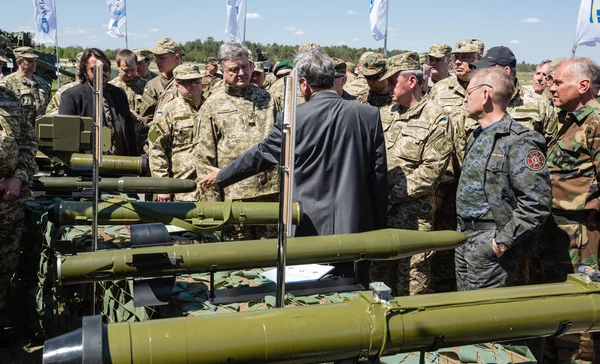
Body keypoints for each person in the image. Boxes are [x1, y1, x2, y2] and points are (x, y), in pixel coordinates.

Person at [199, 47, 388, 286]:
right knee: (354, 289)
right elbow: (378, 175)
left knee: (310, 295)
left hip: (308, 225)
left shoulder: (293, 118)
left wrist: (223, 175)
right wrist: (378, 223)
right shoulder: (368, 115)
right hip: (356, 224)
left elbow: (262, 154)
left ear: (304, 84)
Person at [455, 67, 551, 291]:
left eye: (468, 92)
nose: (465, 98)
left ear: (486, 95)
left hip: (492, 243)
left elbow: (536, 203)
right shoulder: (477, 135)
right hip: (464, 238)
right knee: (464, 313)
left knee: (486, 317)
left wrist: (501, 243)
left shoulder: (520, 141)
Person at [369, 52, 452, 296]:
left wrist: (391, 197)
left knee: (413, 287)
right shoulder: (385, 114)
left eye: (394, 81)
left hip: (414, 222)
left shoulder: (437, 118)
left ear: (412, 82)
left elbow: (431, 170)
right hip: (381, 219)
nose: (389, 86)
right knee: (378, 282)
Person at [537, 58, 600, 363]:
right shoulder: (570, 118)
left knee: (579, 307)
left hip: (582, 235)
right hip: (560, 232)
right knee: (558, 306)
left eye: (559, 82)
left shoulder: (596, 121)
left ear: (583, 85)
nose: (552, 87)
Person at [194, 42, 279, 240]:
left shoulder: (267, 99)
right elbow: (204, 161)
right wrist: (212, 209)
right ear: (222, 71)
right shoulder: (212, 106)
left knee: (270, 257)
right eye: (234, 69)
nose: (241, 73)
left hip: (270, 195)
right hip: (235, 199)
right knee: (239, 261)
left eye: (245, 67)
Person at [429, 39, 484, 293]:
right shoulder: (440, 90)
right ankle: (443, 291)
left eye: (466, 56)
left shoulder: (489, 89)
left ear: (479, 57)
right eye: (456, 57)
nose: (459, 62)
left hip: (479, 185)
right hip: (447, 182)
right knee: (442, 238)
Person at [0, 86, 38, 336]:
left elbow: (28, 142)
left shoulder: (10, 98)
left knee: (5, 266)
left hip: (10, 200)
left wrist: (19, 177)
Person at [58, 48, 137, 156]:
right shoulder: (71, 96)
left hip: (122, 164)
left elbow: (129, 133)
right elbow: (66, 140)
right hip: (87, 167)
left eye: (104, 68)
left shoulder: (119, 94)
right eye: (94, 69)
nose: (101, 72)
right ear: (85, 71)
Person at [147, 64, 204, 202]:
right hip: (180, 187)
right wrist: (163, 185)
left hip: (206, 187)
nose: (193, 85)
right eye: (187, 82)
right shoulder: (169, 111)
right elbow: (156, 148)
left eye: (196, 81)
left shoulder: (210, 108)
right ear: (177, 85)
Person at [470, 46, 554, 136]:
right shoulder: (474, 103)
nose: (481, 75)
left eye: (487, 70)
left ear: (506, 71)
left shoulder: (539, 104)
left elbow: (551, 145)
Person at [109, 49, 148, 155]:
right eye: (125, 70)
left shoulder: (147, 86)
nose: (130, 74)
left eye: (133, 70)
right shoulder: (110, 88)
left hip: (142, 142)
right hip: (120, 141)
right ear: (117, 67)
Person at [1, 46, 51, 126]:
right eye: (30, 61)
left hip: (42, 132)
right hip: (20, 133)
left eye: (35, 61)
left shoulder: (43, 84)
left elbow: (50, 109)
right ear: (19, 63)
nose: (34, 64)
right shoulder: (7, 83)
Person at [139, 38, 183, 124]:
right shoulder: (153, 85)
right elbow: (146, 120)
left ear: (177, 57)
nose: (156, 61)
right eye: (156, 57)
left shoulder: (195, 81)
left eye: (162, 58)